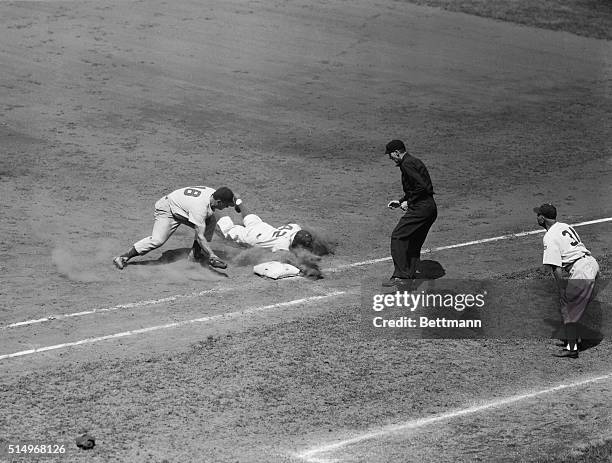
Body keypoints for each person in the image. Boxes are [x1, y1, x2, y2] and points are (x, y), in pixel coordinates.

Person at [113, 186, 236, 270]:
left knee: (210, 221)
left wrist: (237, 204)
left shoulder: (214, 193)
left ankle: (195, 256)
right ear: (219, 201)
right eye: (225, 205)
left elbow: (233, 196)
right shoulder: (200, 208)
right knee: (158, 240)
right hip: (168, 210)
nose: (225, 208)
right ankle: (123, 257)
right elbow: (200, 236)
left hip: (182, 209)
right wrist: (212, 255)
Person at [534, 203, 600, 358]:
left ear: (542, 218)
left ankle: (572, 348)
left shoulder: (549, 237)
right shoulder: (564, 226)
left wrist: (562, 289)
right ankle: (574, 340)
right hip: (592, 264)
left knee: (567, 306)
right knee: (573, 306)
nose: (536, 217)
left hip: (581, 270)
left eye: (538, 215)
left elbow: (555, 267)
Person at [214, 199, 328, 278]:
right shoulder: (282, 244)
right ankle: (211, 208)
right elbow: (285, 260)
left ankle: (238, 201)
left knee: (251, 218)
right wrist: (304, 268)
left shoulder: (295, 228)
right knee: (226, 230)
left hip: (263, 228)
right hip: (252, 236)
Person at [383, 139, 437, 287]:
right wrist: (401, 201)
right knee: (413, 242)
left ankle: (400, 275)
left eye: (390, 155)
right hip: (429, 208)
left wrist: (410, 202)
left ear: (397, 152)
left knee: (398, 236)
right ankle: (409, 279)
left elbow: (422, 187)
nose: (390, 158)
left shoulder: (406, 164)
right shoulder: (413, 161)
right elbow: (418, 187)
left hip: (421, 208)